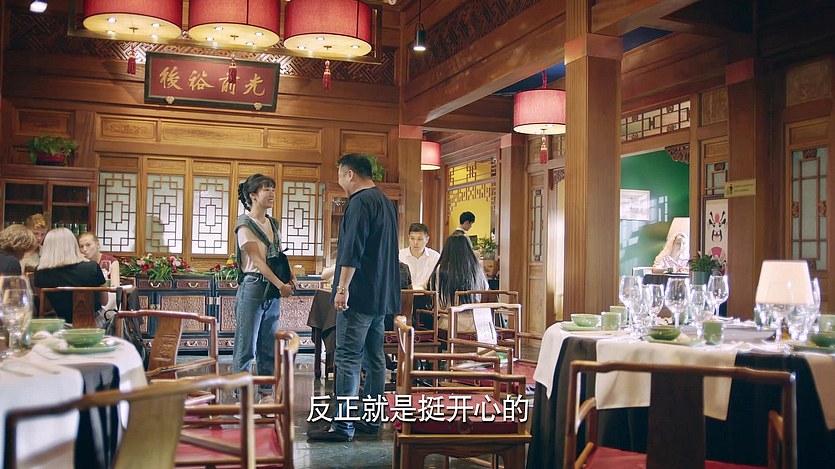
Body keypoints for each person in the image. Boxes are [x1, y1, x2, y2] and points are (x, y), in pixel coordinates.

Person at [307, 153, 399, 442]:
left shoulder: (359, 202)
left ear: (350, 174)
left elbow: (352, 249)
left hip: (358, 295)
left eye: (340, 175)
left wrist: (342, 288)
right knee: (375, 358)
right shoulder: (385, 202)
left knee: (347, 357)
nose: (340, 181)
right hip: (380, 295)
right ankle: (371, 421)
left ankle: (343, 426)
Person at [233, 174, 294, 403]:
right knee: (246, 345)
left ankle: (266, 393)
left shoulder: (272, 223)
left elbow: (278, 255)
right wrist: (280, 285)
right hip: (253, 286)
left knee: (268, 344)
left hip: (273, 288)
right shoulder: (244, 224)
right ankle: (242, 396)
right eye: (266, 189)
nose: (271, 193)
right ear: (253, 195)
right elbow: (257, 262)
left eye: (273, 189)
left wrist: (289, 275)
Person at [33, 227, 106, 323]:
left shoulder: (40, 271)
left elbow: (47, 307)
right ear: (73, 245)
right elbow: (104, 301)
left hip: (60, 325)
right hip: (93, 323)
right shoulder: (92, 267)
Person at [428, 231, 489, 333]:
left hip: (449, 323)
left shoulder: (441, 269)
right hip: (476, 323)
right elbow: (485, 290)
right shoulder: (476, 269)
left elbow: (436, 297)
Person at [398, 222, 440, 290]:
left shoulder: (435, 257)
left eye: (420, 239)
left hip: (427, 294)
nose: (415, 243)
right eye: (412, 238)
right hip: (405, 294)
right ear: (408, 237)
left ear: (427, 239)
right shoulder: (400, 256)